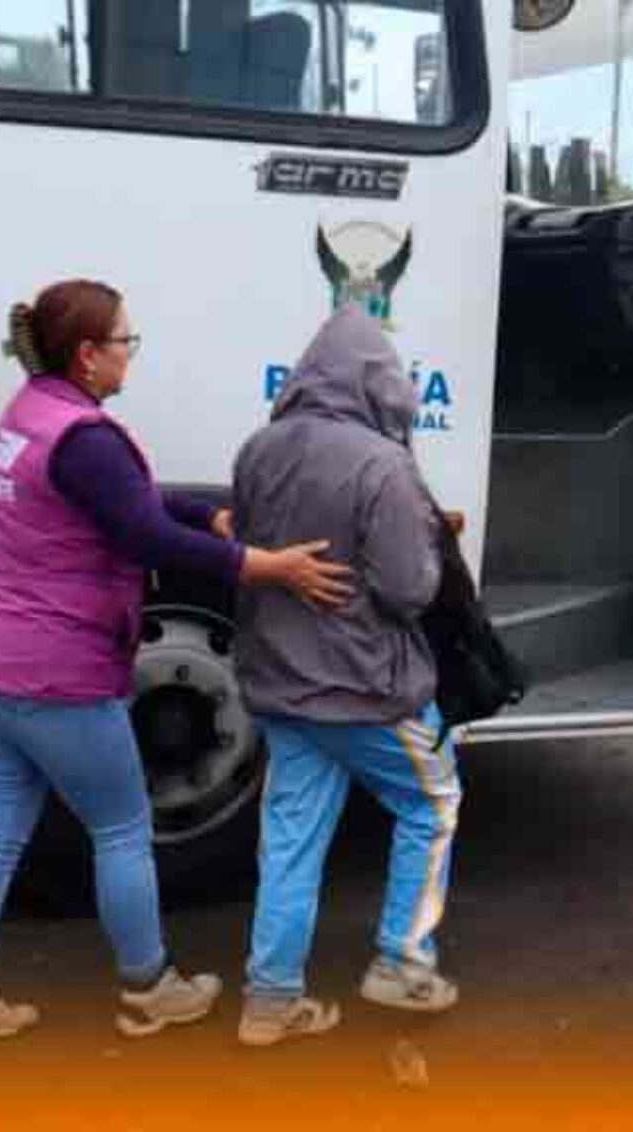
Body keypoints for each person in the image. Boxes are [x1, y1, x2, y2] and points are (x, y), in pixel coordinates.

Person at [0, 279, 354, 1044]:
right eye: (126, 341)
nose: (132, 354)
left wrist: (208, 514)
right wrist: (263, 564)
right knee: (122, 830)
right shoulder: (85, 440)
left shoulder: (32, 415)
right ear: (88, 355)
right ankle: (150, 988)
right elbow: (144, 537)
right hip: (54, 674)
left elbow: (136, 502)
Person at [228, 303, 461, 1047]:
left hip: (281, 686)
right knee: (433, 804)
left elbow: (259, 550)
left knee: (293, 840)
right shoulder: (382, 463)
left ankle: (271, 999)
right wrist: (429, 542)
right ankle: (402, 961)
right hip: (367, 688)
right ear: (378, 383)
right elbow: (408, 589)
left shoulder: (258, 449)